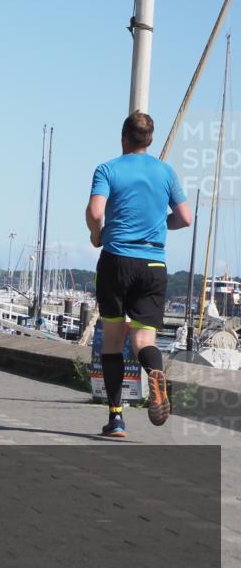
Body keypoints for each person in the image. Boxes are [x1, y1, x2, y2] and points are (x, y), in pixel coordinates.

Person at [86, 112, 191, 438]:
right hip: (154, 264)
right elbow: (185, 217)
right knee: (144, 340)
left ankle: (116, 418)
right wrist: (162, 225)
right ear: (150, 140)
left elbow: (95, 212)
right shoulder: (166, 173)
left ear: (124, 138)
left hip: (117, 259)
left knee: (114, 343)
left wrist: (96, 234)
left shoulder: (108, 169)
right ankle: (156, 373)